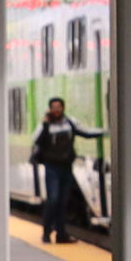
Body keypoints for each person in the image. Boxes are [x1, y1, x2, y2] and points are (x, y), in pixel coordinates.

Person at [31, 95, 87, 244]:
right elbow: (35, 140)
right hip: (52, 168)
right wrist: (45, 125)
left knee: (63, 202)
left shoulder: (69, 123)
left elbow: (85, 132)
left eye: (59, 107)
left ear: (63, 108)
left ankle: (61, 235)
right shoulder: (44, 125)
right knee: (53, 200)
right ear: (50, 109)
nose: (56, 110)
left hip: (66, 167)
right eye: (53, 107)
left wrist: (107, 131)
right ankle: (46, 233)